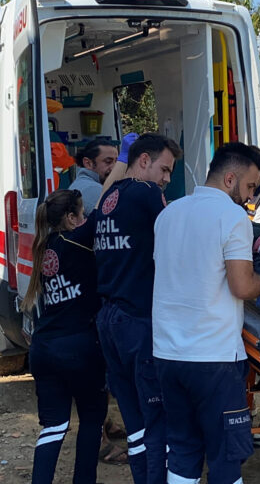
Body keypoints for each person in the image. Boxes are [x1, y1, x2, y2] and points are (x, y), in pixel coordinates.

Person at [152, 142, 260, 484]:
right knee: (225, 457)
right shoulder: (232, 217)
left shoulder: (168, 214)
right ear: (230, 179)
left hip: (167, 355)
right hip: (214, 358)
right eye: (249, 187)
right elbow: (242, 286)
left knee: (182, 449)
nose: (250, 197)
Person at [94, 132, 181, 484]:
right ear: (144, 160)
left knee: (135, 424)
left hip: (109, 320)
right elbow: (176, 240)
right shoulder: (146, 193)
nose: (167, 179)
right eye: (165, 169)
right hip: (137, 321)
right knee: (157, 419)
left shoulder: (108, 197)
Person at [21, 189, 108, 484]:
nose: (84, 218)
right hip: (79, 349)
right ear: (71, 218)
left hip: (44, 348)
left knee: (54, 427)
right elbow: (104, 205)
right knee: (92, 420)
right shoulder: (77, 240)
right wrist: (123, 166)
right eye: (81, 214)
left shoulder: (45, 246)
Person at [69, 139, 119, 215]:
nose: (114, 167)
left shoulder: (83, 184)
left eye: (116, 162)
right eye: (108, 162)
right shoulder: (92, 189)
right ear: (88, 163)